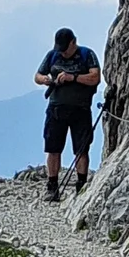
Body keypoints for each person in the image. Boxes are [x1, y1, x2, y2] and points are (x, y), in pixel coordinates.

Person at [35, 25, 101, 202]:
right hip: (56, 109)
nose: (63, 52)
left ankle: (81, 185)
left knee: (81, 149)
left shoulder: (87, 55)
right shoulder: (52, 55)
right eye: (60, 49)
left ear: (73, 42)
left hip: (80, 109)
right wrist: (45, 80)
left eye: (65, 48)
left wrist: (73, 77)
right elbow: (37, 76)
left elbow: (95, 78)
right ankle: (52, 186)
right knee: (53, 148)